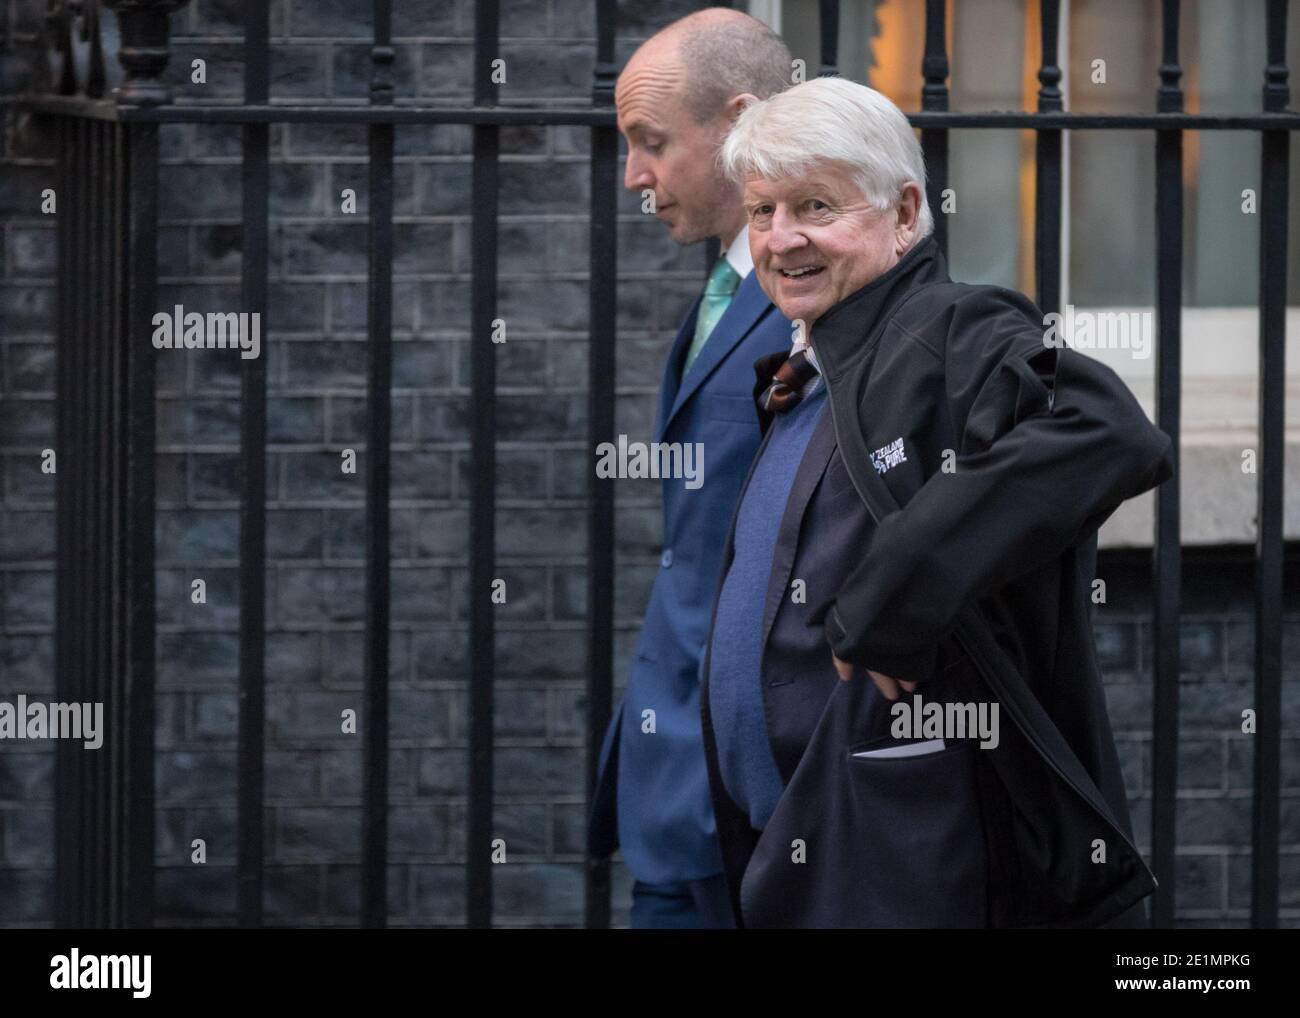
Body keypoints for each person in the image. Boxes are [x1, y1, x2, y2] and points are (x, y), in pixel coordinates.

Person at [698, 75, 1173, 928]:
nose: (781, 238)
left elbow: (1105, 429)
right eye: (762, 211)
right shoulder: (808, 369)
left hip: (911, 852)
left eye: (815, 206)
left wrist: (899, 587)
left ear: (906, 211)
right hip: (794, 848)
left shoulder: (949, 328)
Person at [586, 9, 795, 928]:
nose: (634, 175)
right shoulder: (728, 287)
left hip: (739, 799)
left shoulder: (813, 297)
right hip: (674, 780)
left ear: (740, 121)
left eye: (650, 143)